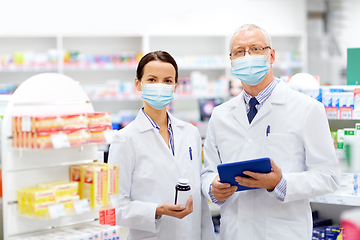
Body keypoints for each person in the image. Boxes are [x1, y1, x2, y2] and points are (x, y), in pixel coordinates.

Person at [201, 24, 340, 240]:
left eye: (255, 49)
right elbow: (207, 172)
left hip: (283, 233)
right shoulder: (220, 115)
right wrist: (212, 188)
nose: (247, 56)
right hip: (235, 232)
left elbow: (328, 176)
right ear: (231, 61)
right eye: (239, 52)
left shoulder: (307, 109)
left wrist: (279, 183)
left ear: (271, 55)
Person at [108, 51, 216, 240]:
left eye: (167, 81)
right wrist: (156, 210)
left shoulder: (190, 133)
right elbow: (113, 205)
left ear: (175, 86)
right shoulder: (124, 139)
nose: (160, 86)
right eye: (152, 79)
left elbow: (198, 199)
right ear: (138, 84)